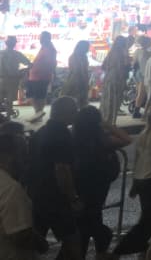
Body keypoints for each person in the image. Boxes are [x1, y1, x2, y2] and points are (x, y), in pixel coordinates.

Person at [111, 103, 151, 256]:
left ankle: (144, 250)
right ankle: (122, 250)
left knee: (147, 217)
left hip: (141, 180)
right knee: (150, 221)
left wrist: (134, 183)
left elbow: (138, 160)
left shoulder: (143, 134)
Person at [28, 96, 82, 258]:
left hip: (36, 195)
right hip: (55, 198)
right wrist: (73, 198)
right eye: (74, 111)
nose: (76, 114)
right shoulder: (62, 134)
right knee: (73, 241)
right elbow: (62, 170)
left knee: (35, 241)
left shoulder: (40, 132)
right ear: (66, 113)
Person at [71, 105, 128, 255]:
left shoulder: (73, 138)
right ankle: (102, 239)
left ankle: (91, 246)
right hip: (99, 184)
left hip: (80, 184)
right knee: (94, 214)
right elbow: (126, 139)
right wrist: (107, 124)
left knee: (86, 218)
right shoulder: (102, 140)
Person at [0, 130, 40, 260]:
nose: (27, 160)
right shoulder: (11, 189)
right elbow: (19, 236)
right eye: (23, 154)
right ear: (10, 156)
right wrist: (41, 244)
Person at [24, 31, 57, 123]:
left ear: (47, 38)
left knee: (37, 96)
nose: (40, 39)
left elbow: (51, 64)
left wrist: (41, 70)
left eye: (42, 38)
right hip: (35, 76)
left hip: (41, 77)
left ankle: (38, 114)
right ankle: (38, 114)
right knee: (34, 96)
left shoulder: (49, 49)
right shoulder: (44, 48)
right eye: (40, 37)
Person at [100, 36, 131, 124]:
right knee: (114, 101)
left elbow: (103, 66)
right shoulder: (122, 53)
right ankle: (111, 122)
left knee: (107, 99)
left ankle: (104, 120)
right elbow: (123, 68)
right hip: (117, 78)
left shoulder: (111, 52)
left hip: (109, 77)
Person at [0, 36, 29, 118]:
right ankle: (8, 117)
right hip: (13, 80)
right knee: (9, 100)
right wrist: (22, 72)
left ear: (6, 43)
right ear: (14, 44)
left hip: (1, 79)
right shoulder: (17, 54)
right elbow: (29, 64)